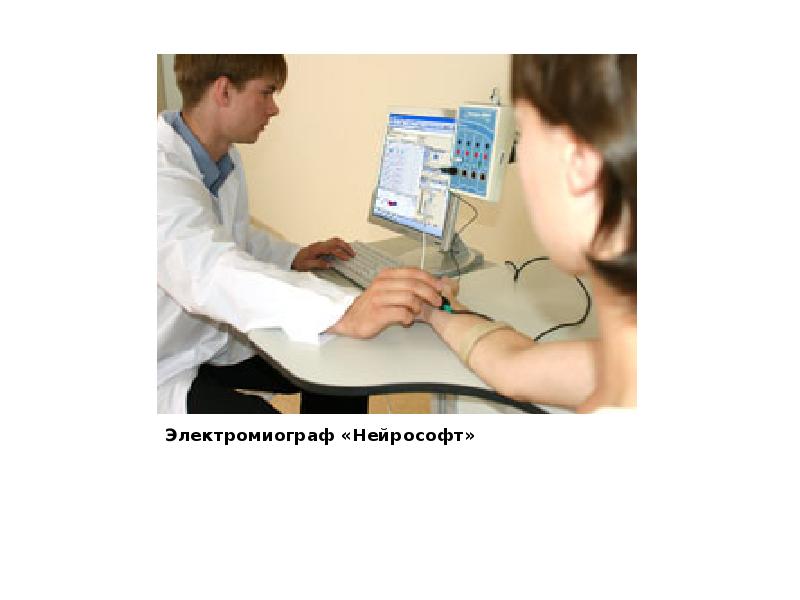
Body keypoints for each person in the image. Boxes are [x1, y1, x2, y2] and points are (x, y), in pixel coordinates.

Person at [158, 54, 446, 414]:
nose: (274, 109)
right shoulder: (158, 175)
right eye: (266, 93)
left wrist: (291, 256)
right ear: (224, 91)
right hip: (163, 362)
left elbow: (227, 234)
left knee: (343, 366)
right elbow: (209, 270)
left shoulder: (222, 157)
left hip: (208, 340)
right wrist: (343, 311)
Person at [419, 55, 636, 412]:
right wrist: (437, 309)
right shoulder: (625, 364)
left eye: (521, 132)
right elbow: (514, 368)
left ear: (579, 164)